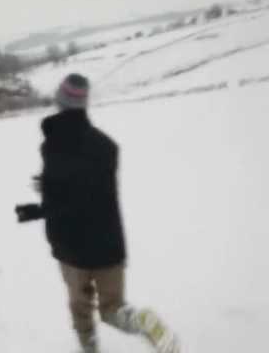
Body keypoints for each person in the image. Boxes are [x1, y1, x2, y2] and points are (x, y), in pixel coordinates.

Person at [15, 74, 180, 353]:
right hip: (109, 245)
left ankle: (89, 348)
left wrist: (39, 208)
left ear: (60, 100)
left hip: (72, 248)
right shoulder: (107, 146)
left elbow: (67, 199)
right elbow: (89, 192)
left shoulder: (52, 146)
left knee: (80, 308)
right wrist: (51, 186)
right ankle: (143, 321)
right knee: (113, 309)